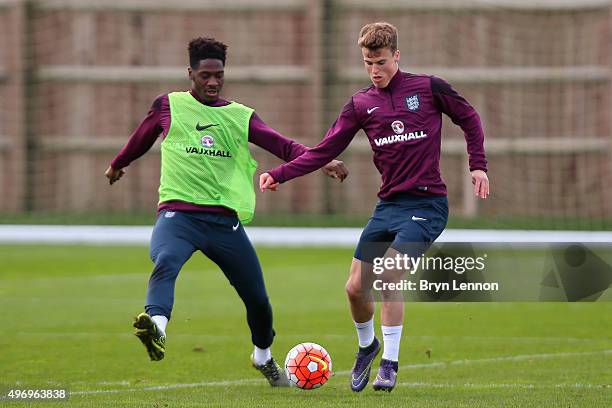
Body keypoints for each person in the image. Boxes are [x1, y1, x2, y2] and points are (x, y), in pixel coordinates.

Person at [260, 22, 489, 392]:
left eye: (381, 62)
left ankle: (390, 364)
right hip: (388, 208)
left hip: (428, 205)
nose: (375, 70)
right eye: (368, 63)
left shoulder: (429, 88)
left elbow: (470, 118)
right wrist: (281, 174)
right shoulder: (361, 104)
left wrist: (477, 164)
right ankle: (368, 347)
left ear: (396, 56)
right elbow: (324, 150)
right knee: (354, 288)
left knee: (387, 277)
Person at [105, 37, 347, 386]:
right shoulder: (168, 106)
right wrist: (117, 164)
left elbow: (282, 144)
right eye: (205, 75)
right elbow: (140, 139)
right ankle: (156, 328)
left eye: (219, 75)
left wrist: (322, 161)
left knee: (259, 301)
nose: (213, 82)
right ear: (190, 73)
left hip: (223, 223)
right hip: (179, 216)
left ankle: (263, 356)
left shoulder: (239, 115)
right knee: (166, 262)